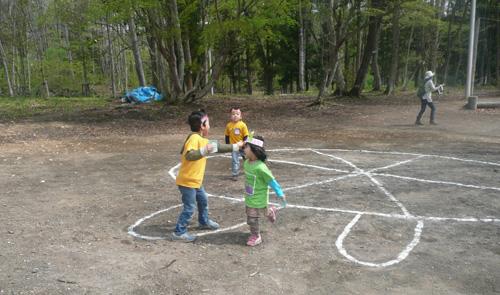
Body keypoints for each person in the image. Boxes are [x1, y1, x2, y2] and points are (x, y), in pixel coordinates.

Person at [172, 110, 244, 242]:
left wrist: (236, 146)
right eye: (208, 123)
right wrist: (205, 150)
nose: (210, 126)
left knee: (203, 201)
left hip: (196, 181)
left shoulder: (202, 139)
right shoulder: (194, 138)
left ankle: (203, 222)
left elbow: (218, 147)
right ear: (202, 126)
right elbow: (190, 155)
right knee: (189, 208)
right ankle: (179, 231)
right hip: (187, 182)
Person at [242, 134, 287, 247]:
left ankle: (256, 236)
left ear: (254, 149)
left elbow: (271, 181)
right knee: (252, 217)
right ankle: (271, 211)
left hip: (259, 197)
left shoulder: (261, 167)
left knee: (253, 218)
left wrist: (280, 193)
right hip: (249, 196)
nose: (244, 148)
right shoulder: (247, 163)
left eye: (246, 146)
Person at [225, 107, 249, 180]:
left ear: (240, 116)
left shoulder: (243, 125)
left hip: (243, 146)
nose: (235, 115)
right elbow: (227, 136)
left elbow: (246, 136)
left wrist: (244, 143)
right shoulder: (228, 125)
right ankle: (235, 174)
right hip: (234, 146)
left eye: (237, 114)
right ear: (230, 116)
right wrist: (228, 145)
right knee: (235, 160)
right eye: (233, 114)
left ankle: (249, 170)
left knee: (247, 159)